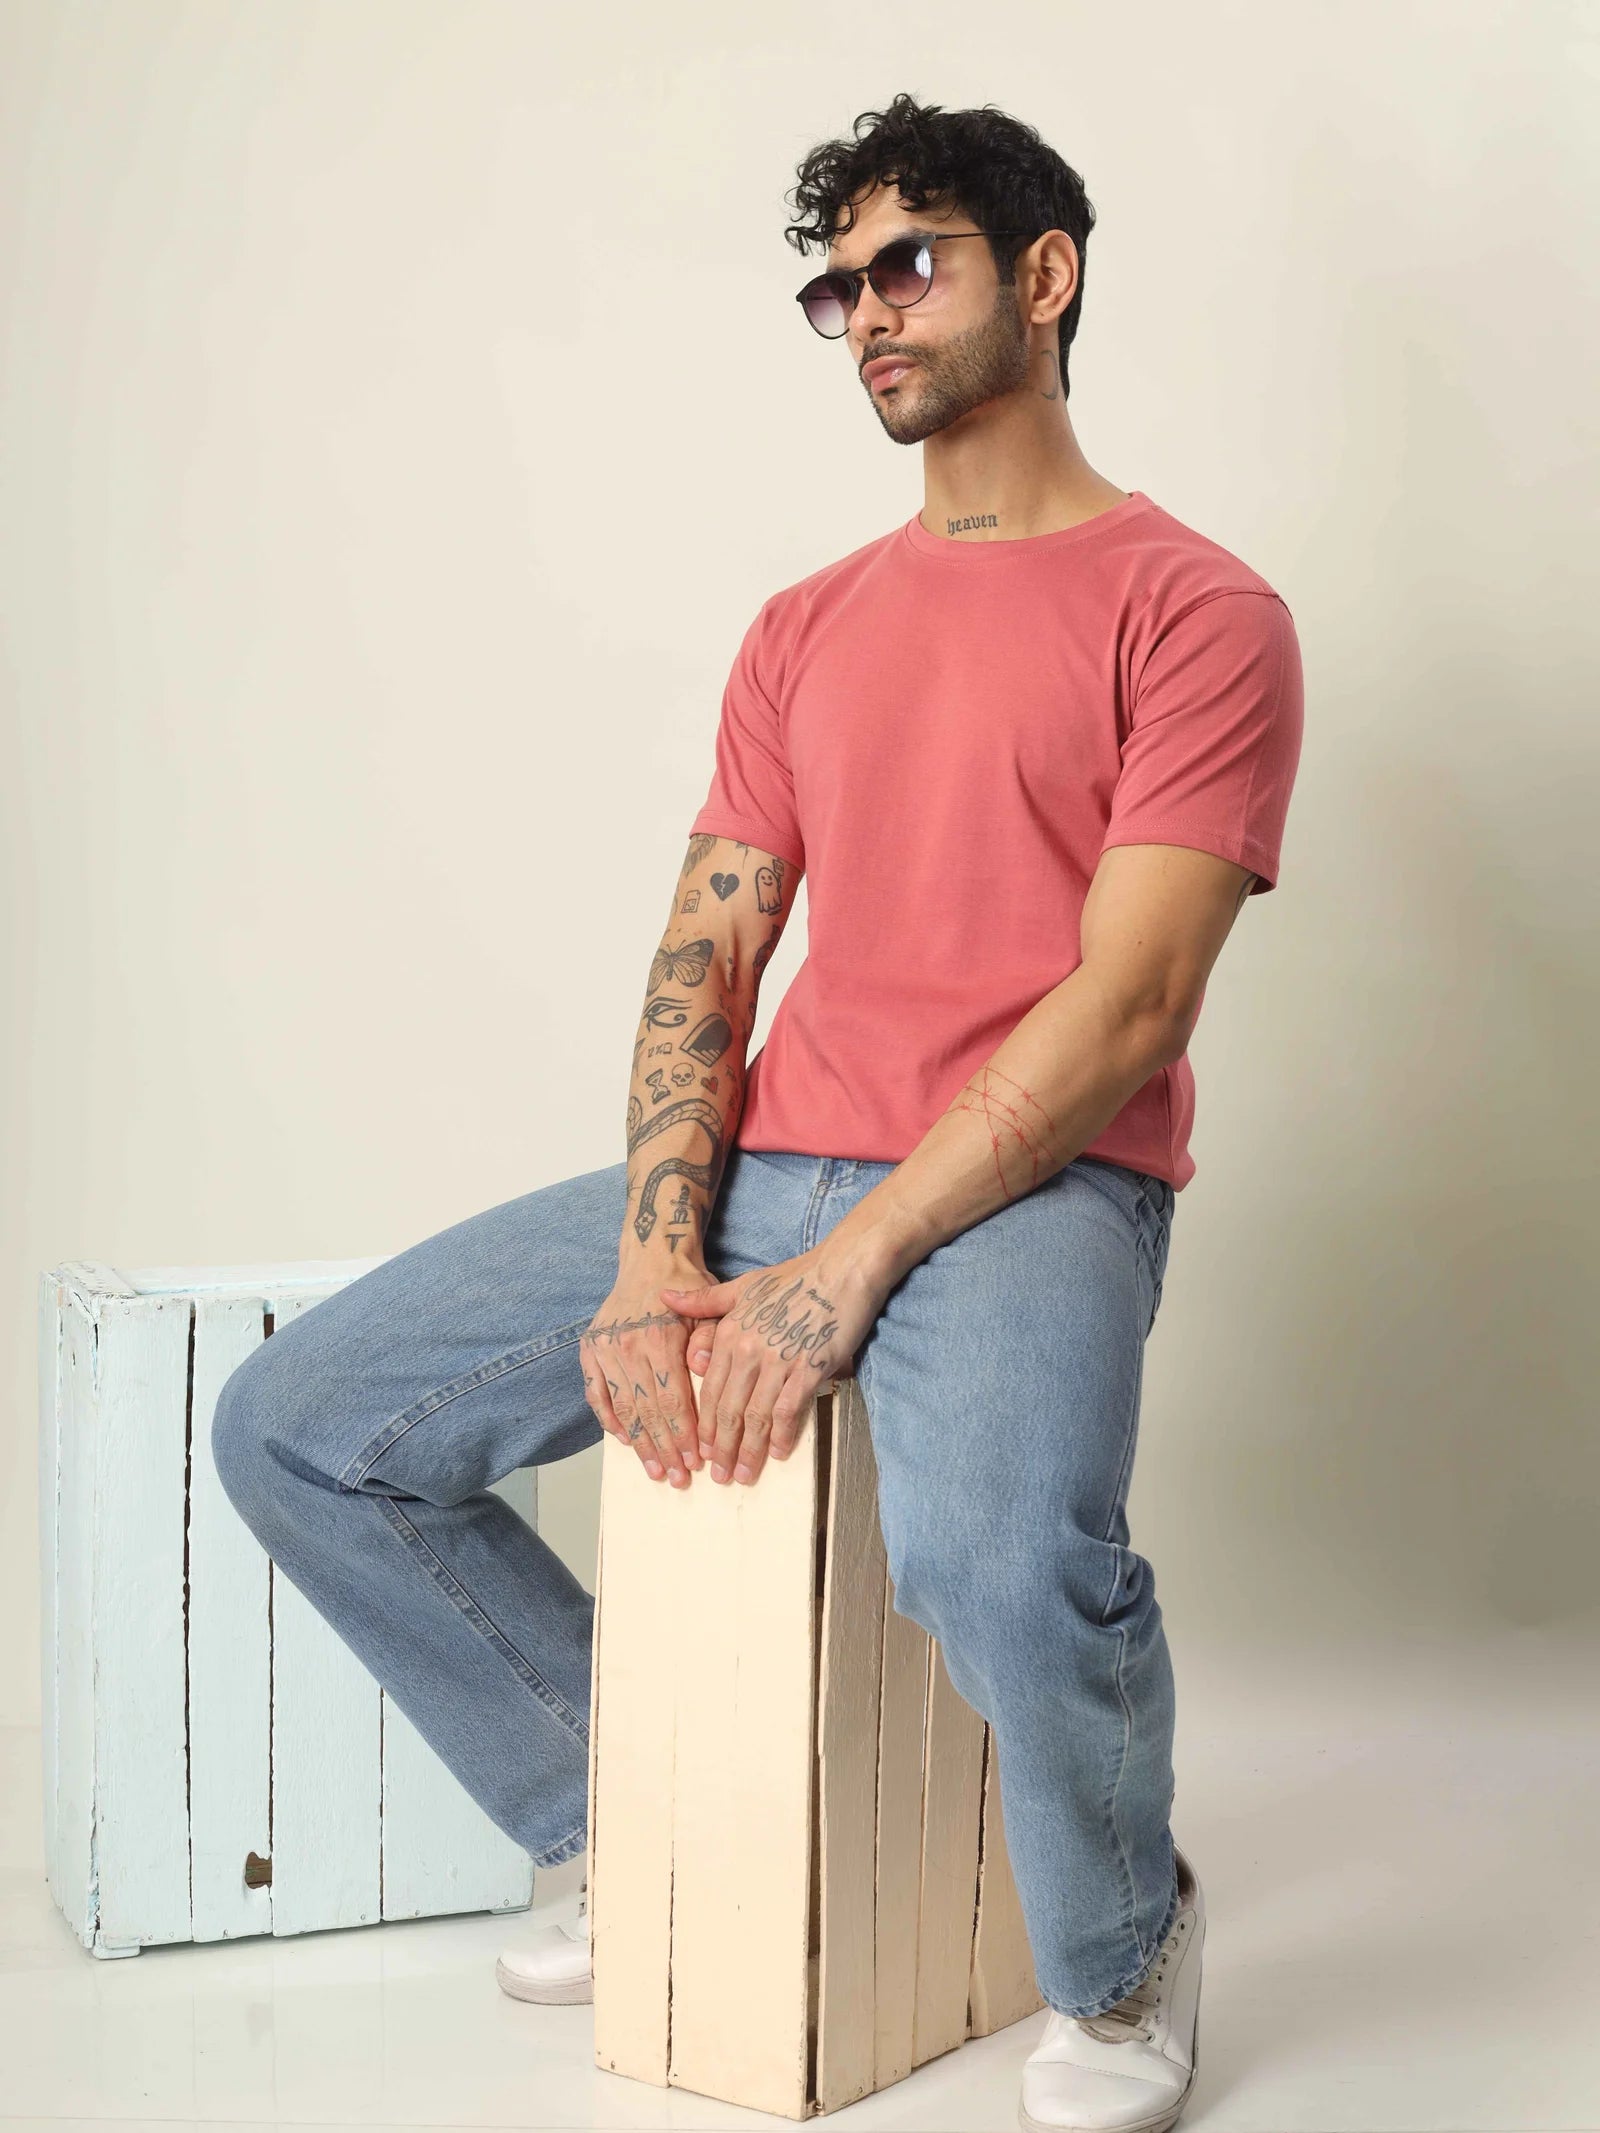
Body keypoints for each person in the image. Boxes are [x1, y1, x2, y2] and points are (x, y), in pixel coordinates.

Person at [212, 91, 1302, 2133]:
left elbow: (1133, 996)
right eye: (837, 282)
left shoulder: (1197, 609)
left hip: (1026, 1185)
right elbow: (708, 949)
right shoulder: (805, 624)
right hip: (760, 1160)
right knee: (303, 1426)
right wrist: (656, 1250)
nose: (866, 312)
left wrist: (853, 1261)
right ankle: (607, 1819)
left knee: (990, 1548)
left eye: (911, 262)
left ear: (1042, 277)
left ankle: (1121, 1943)